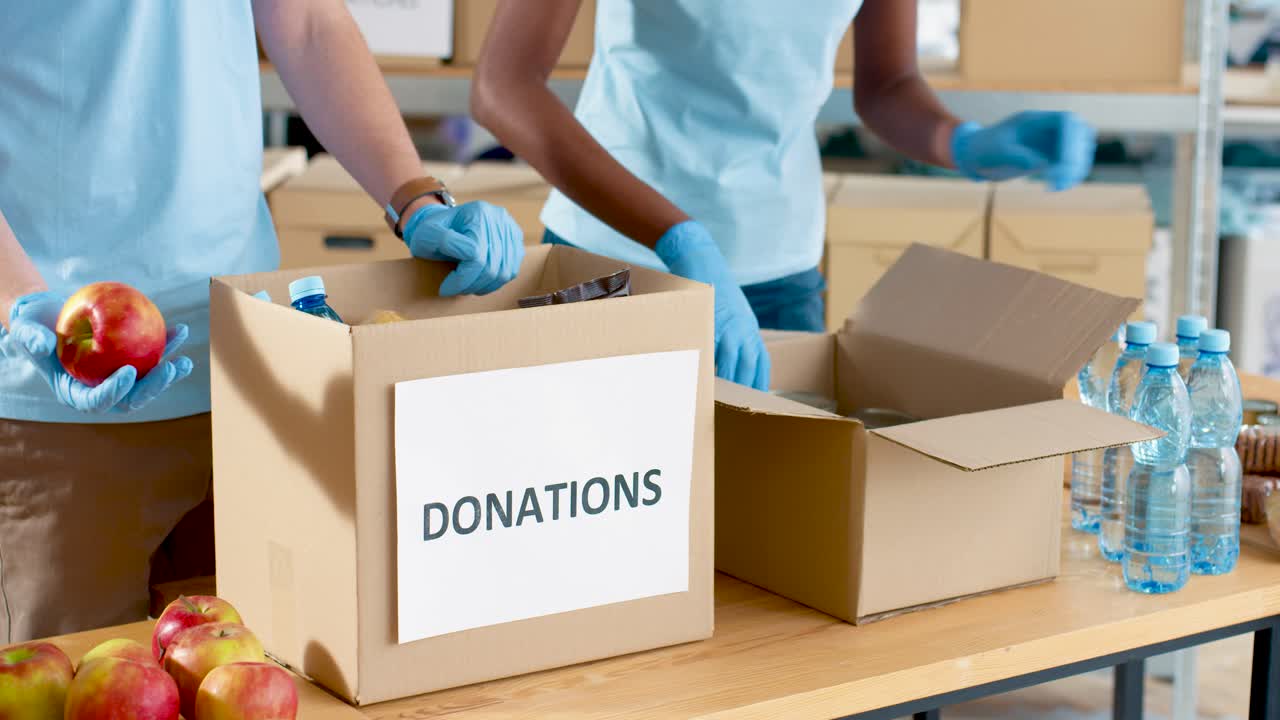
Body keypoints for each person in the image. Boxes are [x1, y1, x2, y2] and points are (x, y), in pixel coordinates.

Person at [0, 1, 524, 642]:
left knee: (261, 677)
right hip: (57, 396)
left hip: (245, 356)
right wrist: (18, 299)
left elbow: (306, 22)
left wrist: (412, 195)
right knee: (77, 688)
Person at [471, 0, 1097, 391]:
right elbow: (503, 85)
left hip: (778, 278)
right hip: (614, 257)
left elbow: (888, 84)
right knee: (583, 517)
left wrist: (964, 143)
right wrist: (678, 236)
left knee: (765, 542)